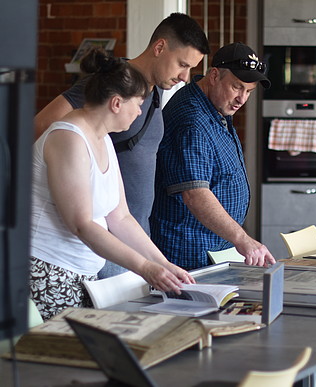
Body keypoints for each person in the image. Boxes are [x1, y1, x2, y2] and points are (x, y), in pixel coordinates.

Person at [33, 13, 210, 278]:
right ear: (160, 48)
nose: (186, 77)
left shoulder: (155, 90)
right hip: (95, 246)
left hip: (132, 233)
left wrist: (159, 261)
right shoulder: (113, 83)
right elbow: (40, 128)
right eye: (182, 64)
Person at [30, 49, 195, 321]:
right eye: (138, 103)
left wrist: (162, 263)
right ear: (117, 103)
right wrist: (143, 267)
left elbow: (120, 217)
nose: (140, 111)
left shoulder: (103, 138)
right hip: (47, 273)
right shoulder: (68, 138)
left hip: (81, 273)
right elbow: (81, 224)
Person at [150, 42, 276, 271]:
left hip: (213, 246)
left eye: (249, 91)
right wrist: (243, 239)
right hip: (189, 252)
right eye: (237, 87)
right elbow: (195, 194)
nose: (242, 99)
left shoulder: (214, 104)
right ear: (214, 75)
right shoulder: (192, 122)